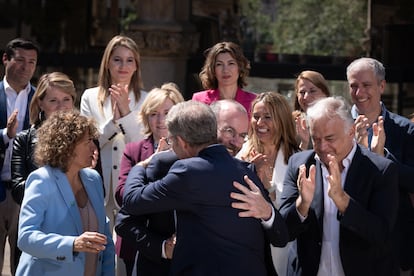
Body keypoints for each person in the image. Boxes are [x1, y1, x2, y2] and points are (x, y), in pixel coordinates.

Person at [120, 100, 288, 276]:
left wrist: (267, 212)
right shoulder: (166, 165)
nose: (236, 142)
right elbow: (127, 216)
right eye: (229, 130)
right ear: (212, 127)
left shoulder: (246, 170)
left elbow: (281, 236)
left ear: (182, 142)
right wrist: (161, 247)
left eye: (243, 135)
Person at [278, 96, 399, 275]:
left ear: (351, 131)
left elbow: (381, 234)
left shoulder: (380, 170)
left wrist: (343, 201)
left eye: (329, 138)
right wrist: (302, 204)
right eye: (316, 138)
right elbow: (282, 232)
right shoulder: (300, 164)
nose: (322, 146)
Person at [16, 110, 115, 276]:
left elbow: (105, 239)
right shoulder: (42, 180)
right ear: (67, 146)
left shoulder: (93, 179)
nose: (94, 147)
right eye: (88, 141)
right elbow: (26, 238)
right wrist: (72, 244)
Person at [347, 57, 414, 274]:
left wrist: (381, 157)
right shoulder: (337, 128)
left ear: (382, 86)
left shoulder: (405, 130)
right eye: (353, 86)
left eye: (366, 85)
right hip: (346, 241)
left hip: (392, 246)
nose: (359, 93)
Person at [114, 82, 184, 276]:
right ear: (146, 117)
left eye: (167, 113)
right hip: (138, 243)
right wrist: (150, 164)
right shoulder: (134, 150)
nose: (160, 120)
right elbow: (121, 195)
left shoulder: (189, 151)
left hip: (180, 246)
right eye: (154, 114)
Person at [80, 34, 148, 233]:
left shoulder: (147, 99)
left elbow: (144, 147)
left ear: (136, 66)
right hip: (97, 186)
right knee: (98, 250)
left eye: (129, 60)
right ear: (107, 63)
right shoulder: (90, 97)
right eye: (117, 59)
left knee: (125, 255)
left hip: (132, 186)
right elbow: (88, 144)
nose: (123, 66)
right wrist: (112, 124)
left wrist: (126, 115)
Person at [236, 92, 299, 276]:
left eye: (267, 117)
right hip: (247, 249)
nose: (259, 123)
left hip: (283, 250)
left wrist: (267, 186)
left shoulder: (297, 158)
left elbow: (294, 212)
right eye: (256, 117)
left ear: (281, 120)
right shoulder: (243, 153)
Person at [0, 37, 39, 275]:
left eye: (32, 62)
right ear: (5, 59)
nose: (26, 67)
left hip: (25, 193)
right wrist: (6, 134)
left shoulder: (40, 99)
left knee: (23, 264)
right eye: (21, 60)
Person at [11, 72, 77, 205]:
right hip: (40, 216)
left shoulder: (86, 138)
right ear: (40, 103)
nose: (61, 106)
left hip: (77, 217)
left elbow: (97, 189)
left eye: (66, 99)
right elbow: (18, 192)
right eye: (53, 100)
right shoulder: (24, 140)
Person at [192, 41, 257, 117]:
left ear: (240, 68)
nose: (225, 70)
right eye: (219, 64)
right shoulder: (199, 100)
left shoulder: (254, 101)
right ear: (213, 70)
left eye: (231, 63)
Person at [292, 70, 330, 150]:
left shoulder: (338, 122)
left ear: (325, 93)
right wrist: (304, 143)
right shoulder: (291, 125)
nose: (306, 97)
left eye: (312, 91)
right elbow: (291, 161)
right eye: (302, 92)